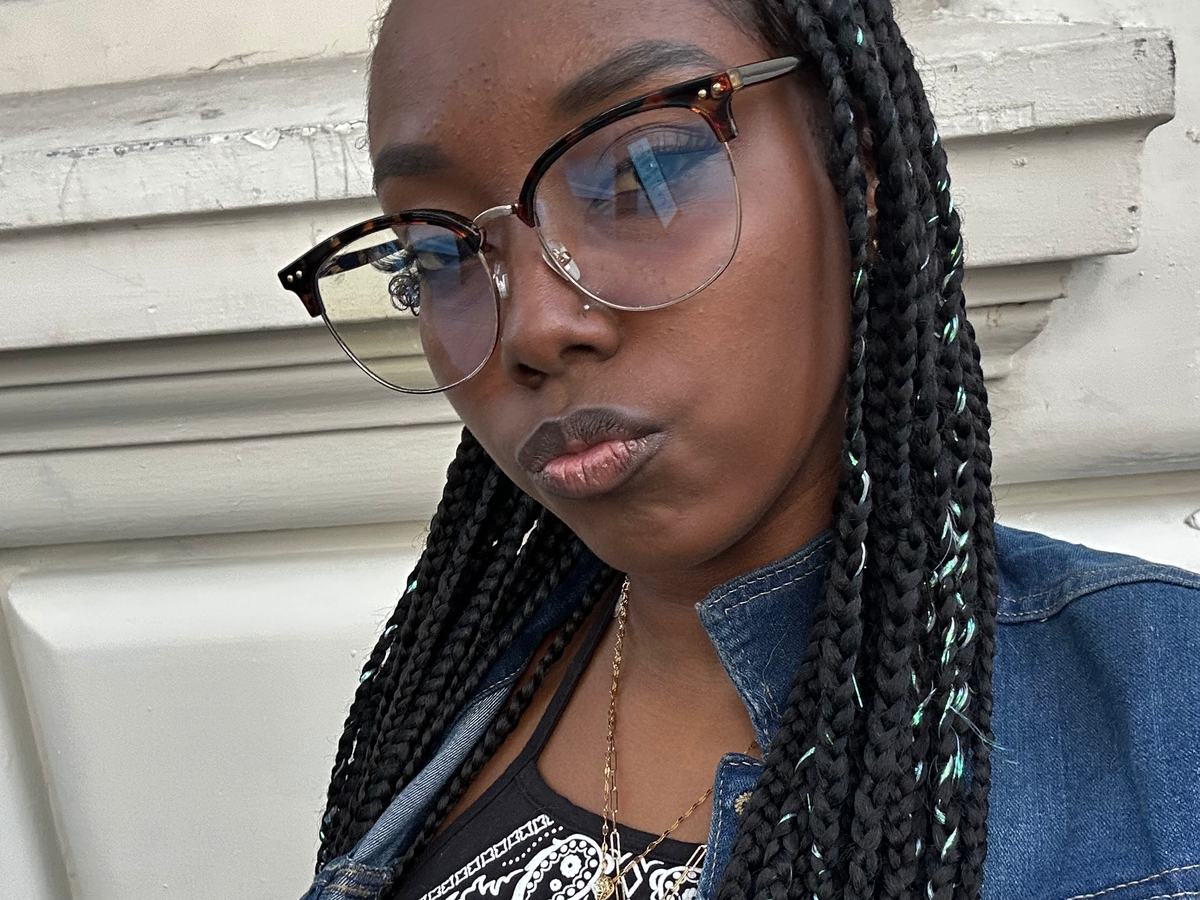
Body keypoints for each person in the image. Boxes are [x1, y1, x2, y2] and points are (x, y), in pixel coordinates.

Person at [276, 2, 1200, 899]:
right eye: (434, 255)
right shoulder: (449, 699)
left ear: (858, 171)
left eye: (643, 175)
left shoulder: (1169, 716)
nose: (534, 328)